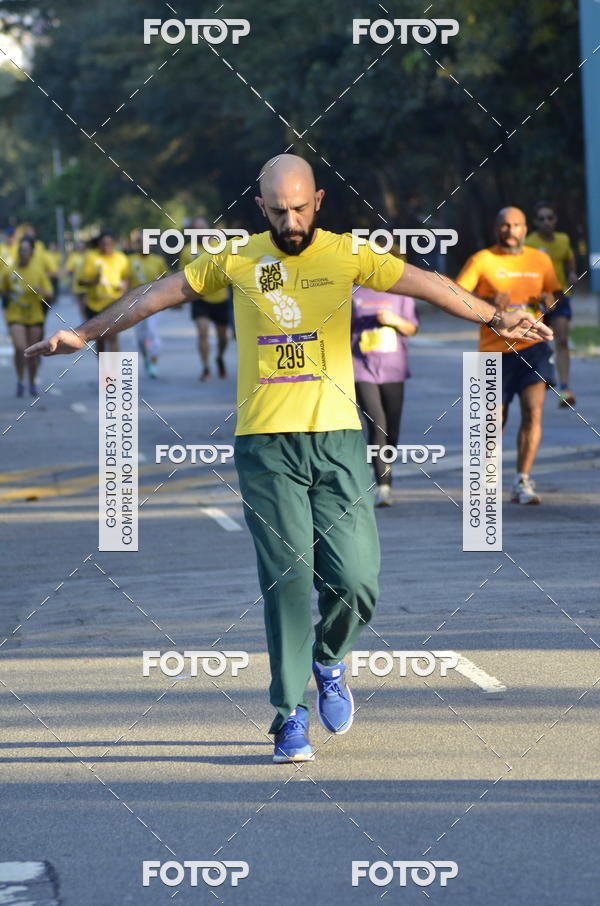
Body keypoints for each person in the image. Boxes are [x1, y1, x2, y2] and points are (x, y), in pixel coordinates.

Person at [25, 156, 551, 763]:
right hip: (266, 446)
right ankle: (288, 715)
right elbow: (154, 295)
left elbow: (426, 283)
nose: (291, 220)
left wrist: (495, 316)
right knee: (288, 580)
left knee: (357, 581)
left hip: (337, 439)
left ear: (319, 201)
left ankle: (329, 660)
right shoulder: (237, 259)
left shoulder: (348, 253)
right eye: (278, 210)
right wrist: (85, 333)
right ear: (261, 207)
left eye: (300, 208)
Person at [456, 207, 561, 505]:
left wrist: (547, 301)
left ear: (525, 229)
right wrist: (487, 301)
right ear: (496, 228)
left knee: (533, 413)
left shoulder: (540, 259)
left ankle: (522, 481)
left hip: (534, 348)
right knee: (493, 422)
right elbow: (456, 297)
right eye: (505, 225)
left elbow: (553, 295)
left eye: (516, 225)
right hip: (493, 351)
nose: (510, 230)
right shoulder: (481, 260)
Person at [351, 283, 418, 506]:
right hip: (361, 367)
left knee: (392, 430)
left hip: (393, 369)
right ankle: (383, 486)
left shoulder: (401, 293)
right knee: (376, 424)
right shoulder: (352, 291)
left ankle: (385, 469)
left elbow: (412, 328)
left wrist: (394, 320)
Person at [526, 202, 578, 407]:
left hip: (560, 296)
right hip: (537, 300)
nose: (546, 222)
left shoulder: (564, 240)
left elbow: (570, 260)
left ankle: (565, 387)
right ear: (535, 222)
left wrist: (572, 272)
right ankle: (540, 381)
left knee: (562, 339)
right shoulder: (529, 243)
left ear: (555, 220)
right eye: (541, 219)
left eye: (550, 218)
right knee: (538, 343)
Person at [2, 235, 54, 397]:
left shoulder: (38, 271)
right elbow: (2, 288)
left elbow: (50, 295)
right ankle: (20, 380)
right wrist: (8, 295)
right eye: (20, 250)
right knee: (20, 347)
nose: (22, 253)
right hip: (16, 314)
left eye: (25, 250)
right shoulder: (10, 270)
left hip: (35, 316)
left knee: (32, 353)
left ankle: (31, 382)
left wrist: (41, 291)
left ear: (31, 252)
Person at [180, 217, 231, 380]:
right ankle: (206, 367)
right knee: (202, 333)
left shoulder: (218, 246)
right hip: (199, 297)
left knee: (223, 337)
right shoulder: (188, 250)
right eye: (196, 229)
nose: (200, 231)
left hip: (220, 297)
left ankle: (219, 357)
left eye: (203, 228)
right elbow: (183, 275)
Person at [78, 232, 130, 353]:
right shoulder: (91, 258)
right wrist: (93, 281)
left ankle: (114, 370)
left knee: (112, 337)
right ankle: (104, 368)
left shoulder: (121, 258)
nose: (106, 247)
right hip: (94, 304)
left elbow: (126, 278)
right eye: (103, 244)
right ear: (99, 244)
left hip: (114, 303)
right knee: (100, 339)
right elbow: (80, 282)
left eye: (109, 244)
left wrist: (124, 289)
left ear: (114, 244)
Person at [129, 234, 167, 378]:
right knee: (140, 337)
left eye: (146, 243)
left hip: (154, 303)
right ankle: (146, 358)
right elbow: (125, 281)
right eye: (140, 243)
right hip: (135, 303)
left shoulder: (158, 261)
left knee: (152, 332)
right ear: (135, 245)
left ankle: (154, 362)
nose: (143, 246)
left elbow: (166, 281)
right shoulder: (130, 261)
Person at [65, 241, 88, 319]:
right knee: (81, 305)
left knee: (86, 304)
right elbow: (69, 270)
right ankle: (84, 320)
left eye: (82, 246)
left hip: (88, 286)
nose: (80, 248)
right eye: (79, 246)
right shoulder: (74, 257)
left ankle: (88, 318)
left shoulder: (88, 255)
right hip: (78, 286)